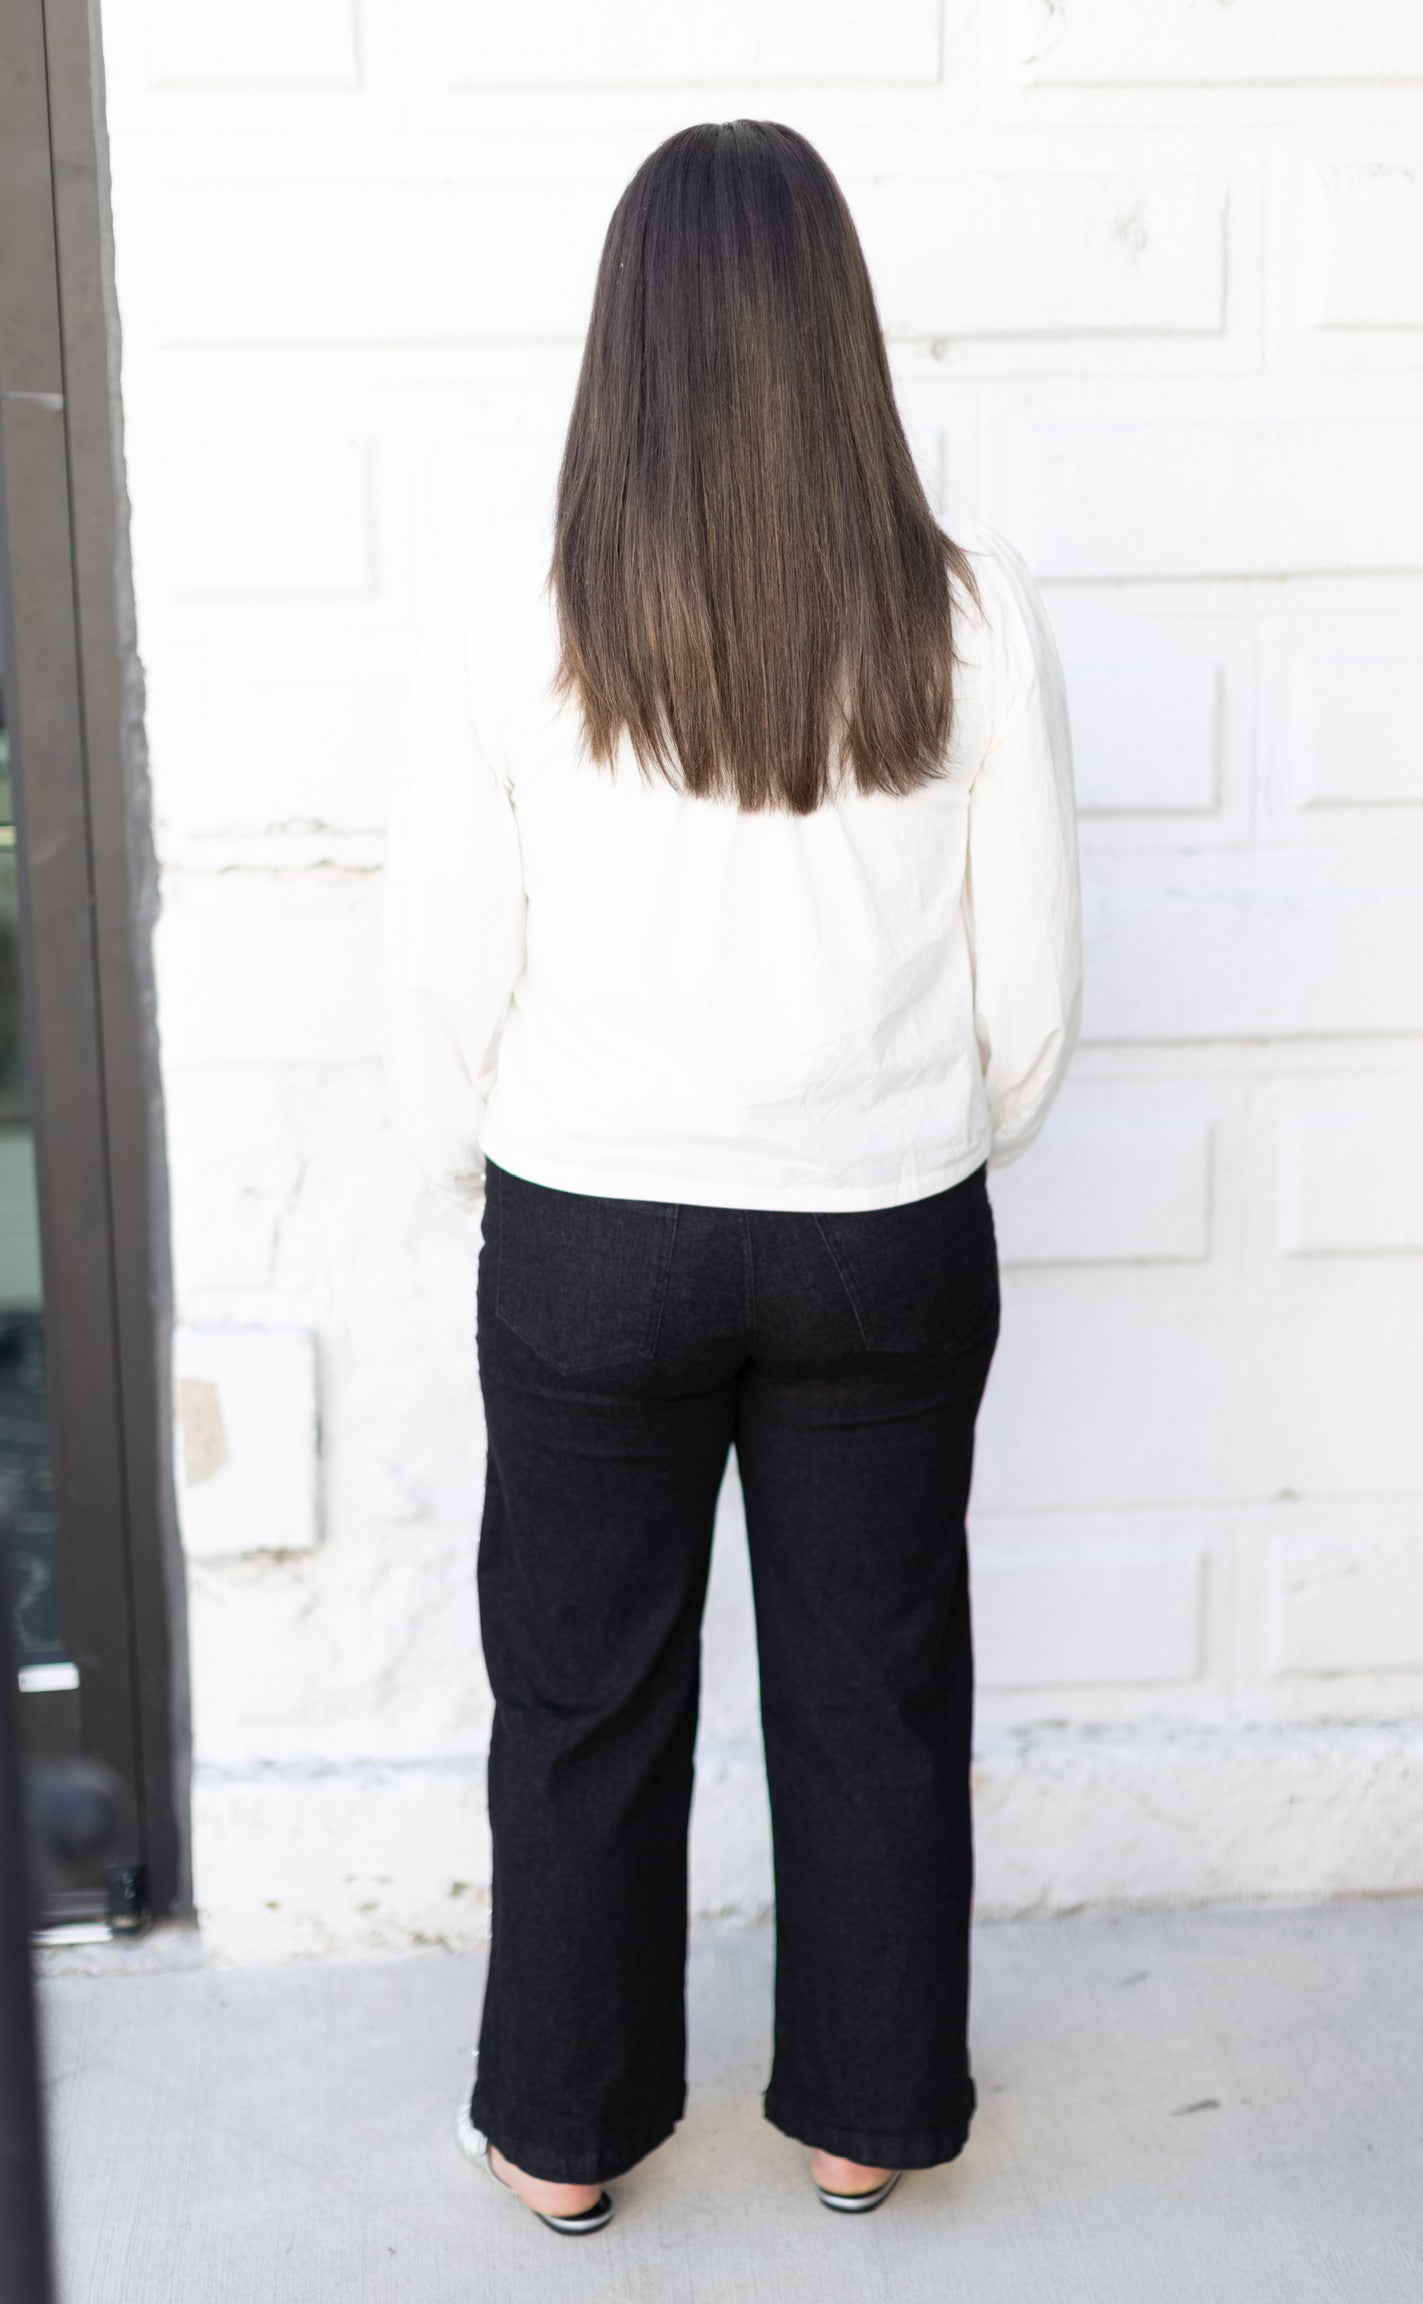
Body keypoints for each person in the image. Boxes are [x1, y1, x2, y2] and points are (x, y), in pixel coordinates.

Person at [383, 118, 1081, 2237]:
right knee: (877, 1689)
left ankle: (566, 2140)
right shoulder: (966, 607)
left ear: (634, 339)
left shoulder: (518, 602)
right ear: (835, 338)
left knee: (582, 1691)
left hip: (593, 1229)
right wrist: (919, 1144)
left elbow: (441, 967)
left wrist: (503, 1171)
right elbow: (1031, 990)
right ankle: (867, 2118)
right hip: (883, 1232)